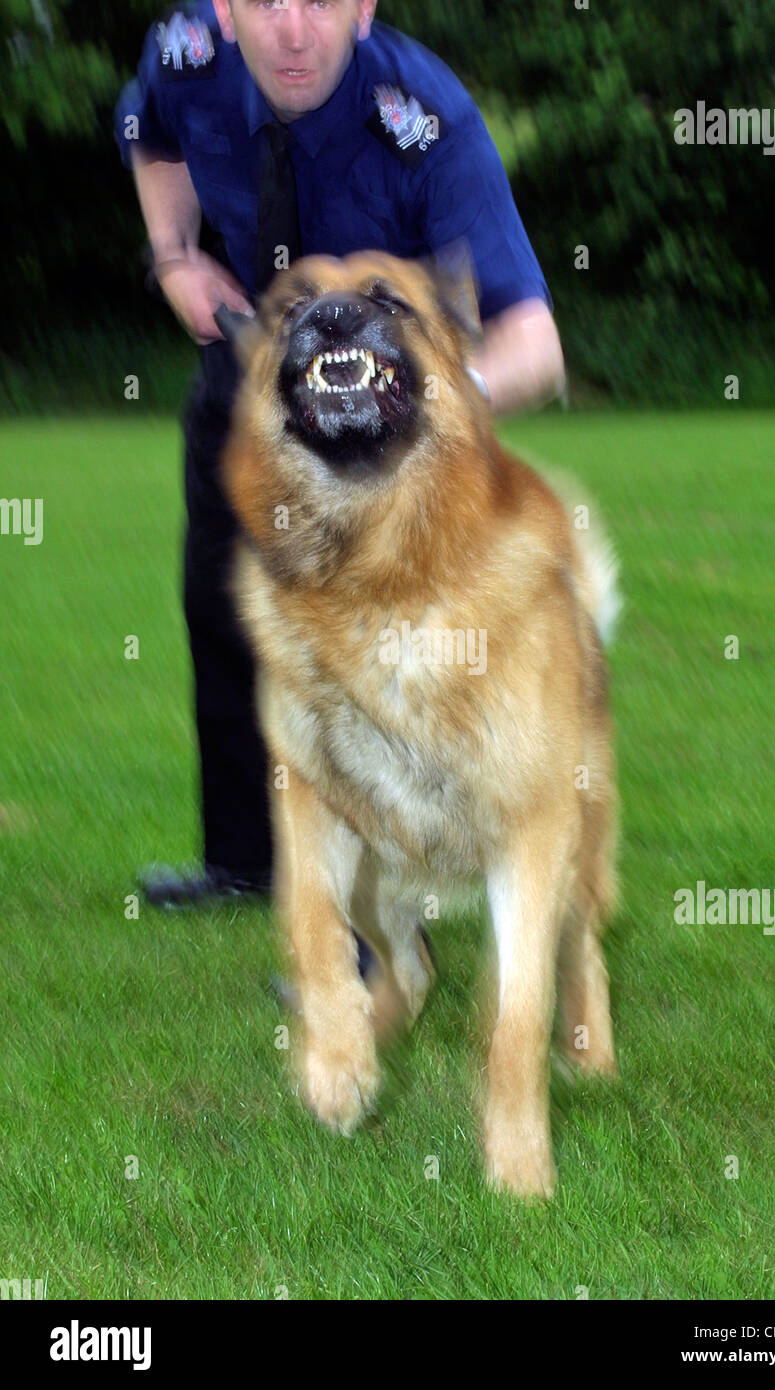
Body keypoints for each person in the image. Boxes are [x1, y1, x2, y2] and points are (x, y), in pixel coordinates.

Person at [114, 0, 565, 908]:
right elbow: (149, 132)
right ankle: (246, 864)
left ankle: (383, 924)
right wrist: (174, 256)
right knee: (221, 610)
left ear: (362, 7)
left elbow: (535, 345)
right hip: (252, 385)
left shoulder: (426, 120)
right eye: (266, 1)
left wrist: (435, 413)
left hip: (383, 428)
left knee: (370, 664)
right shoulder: (187, 55)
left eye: (320, 0)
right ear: (225, 9)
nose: (291, 28)